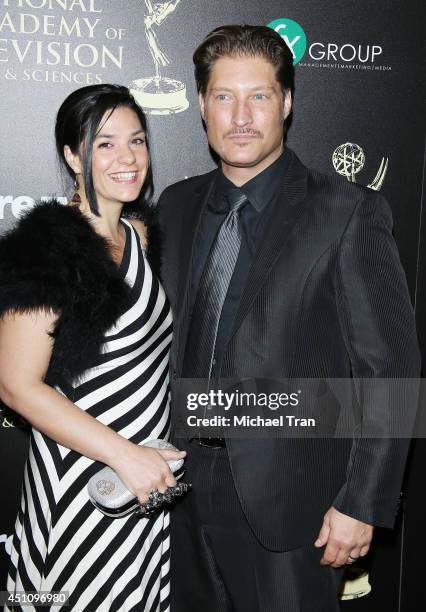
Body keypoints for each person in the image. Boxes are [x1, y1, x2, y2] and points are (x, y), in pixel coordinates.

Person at [156, 25, 421, 612]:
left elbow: (391, 367)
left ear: (288, 102)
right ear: (201, 105)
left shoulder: (347, 211)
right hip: (175, 495)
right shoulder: (174, 207)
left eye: (260, 96)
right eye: (224, 97)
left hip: (293, 506)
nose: (241, 116)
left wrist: (362, 502)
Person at [0, 84, 186, 612]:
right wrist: (125, 456)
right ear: (70, 154)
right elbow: (15, 385)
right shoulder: (48, 246)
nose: (127, 158)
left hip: (142, 487)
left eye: (137, 140)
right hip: (81, 487)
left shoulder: (140, 234)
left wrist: (142, 462)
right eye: (104, 144)